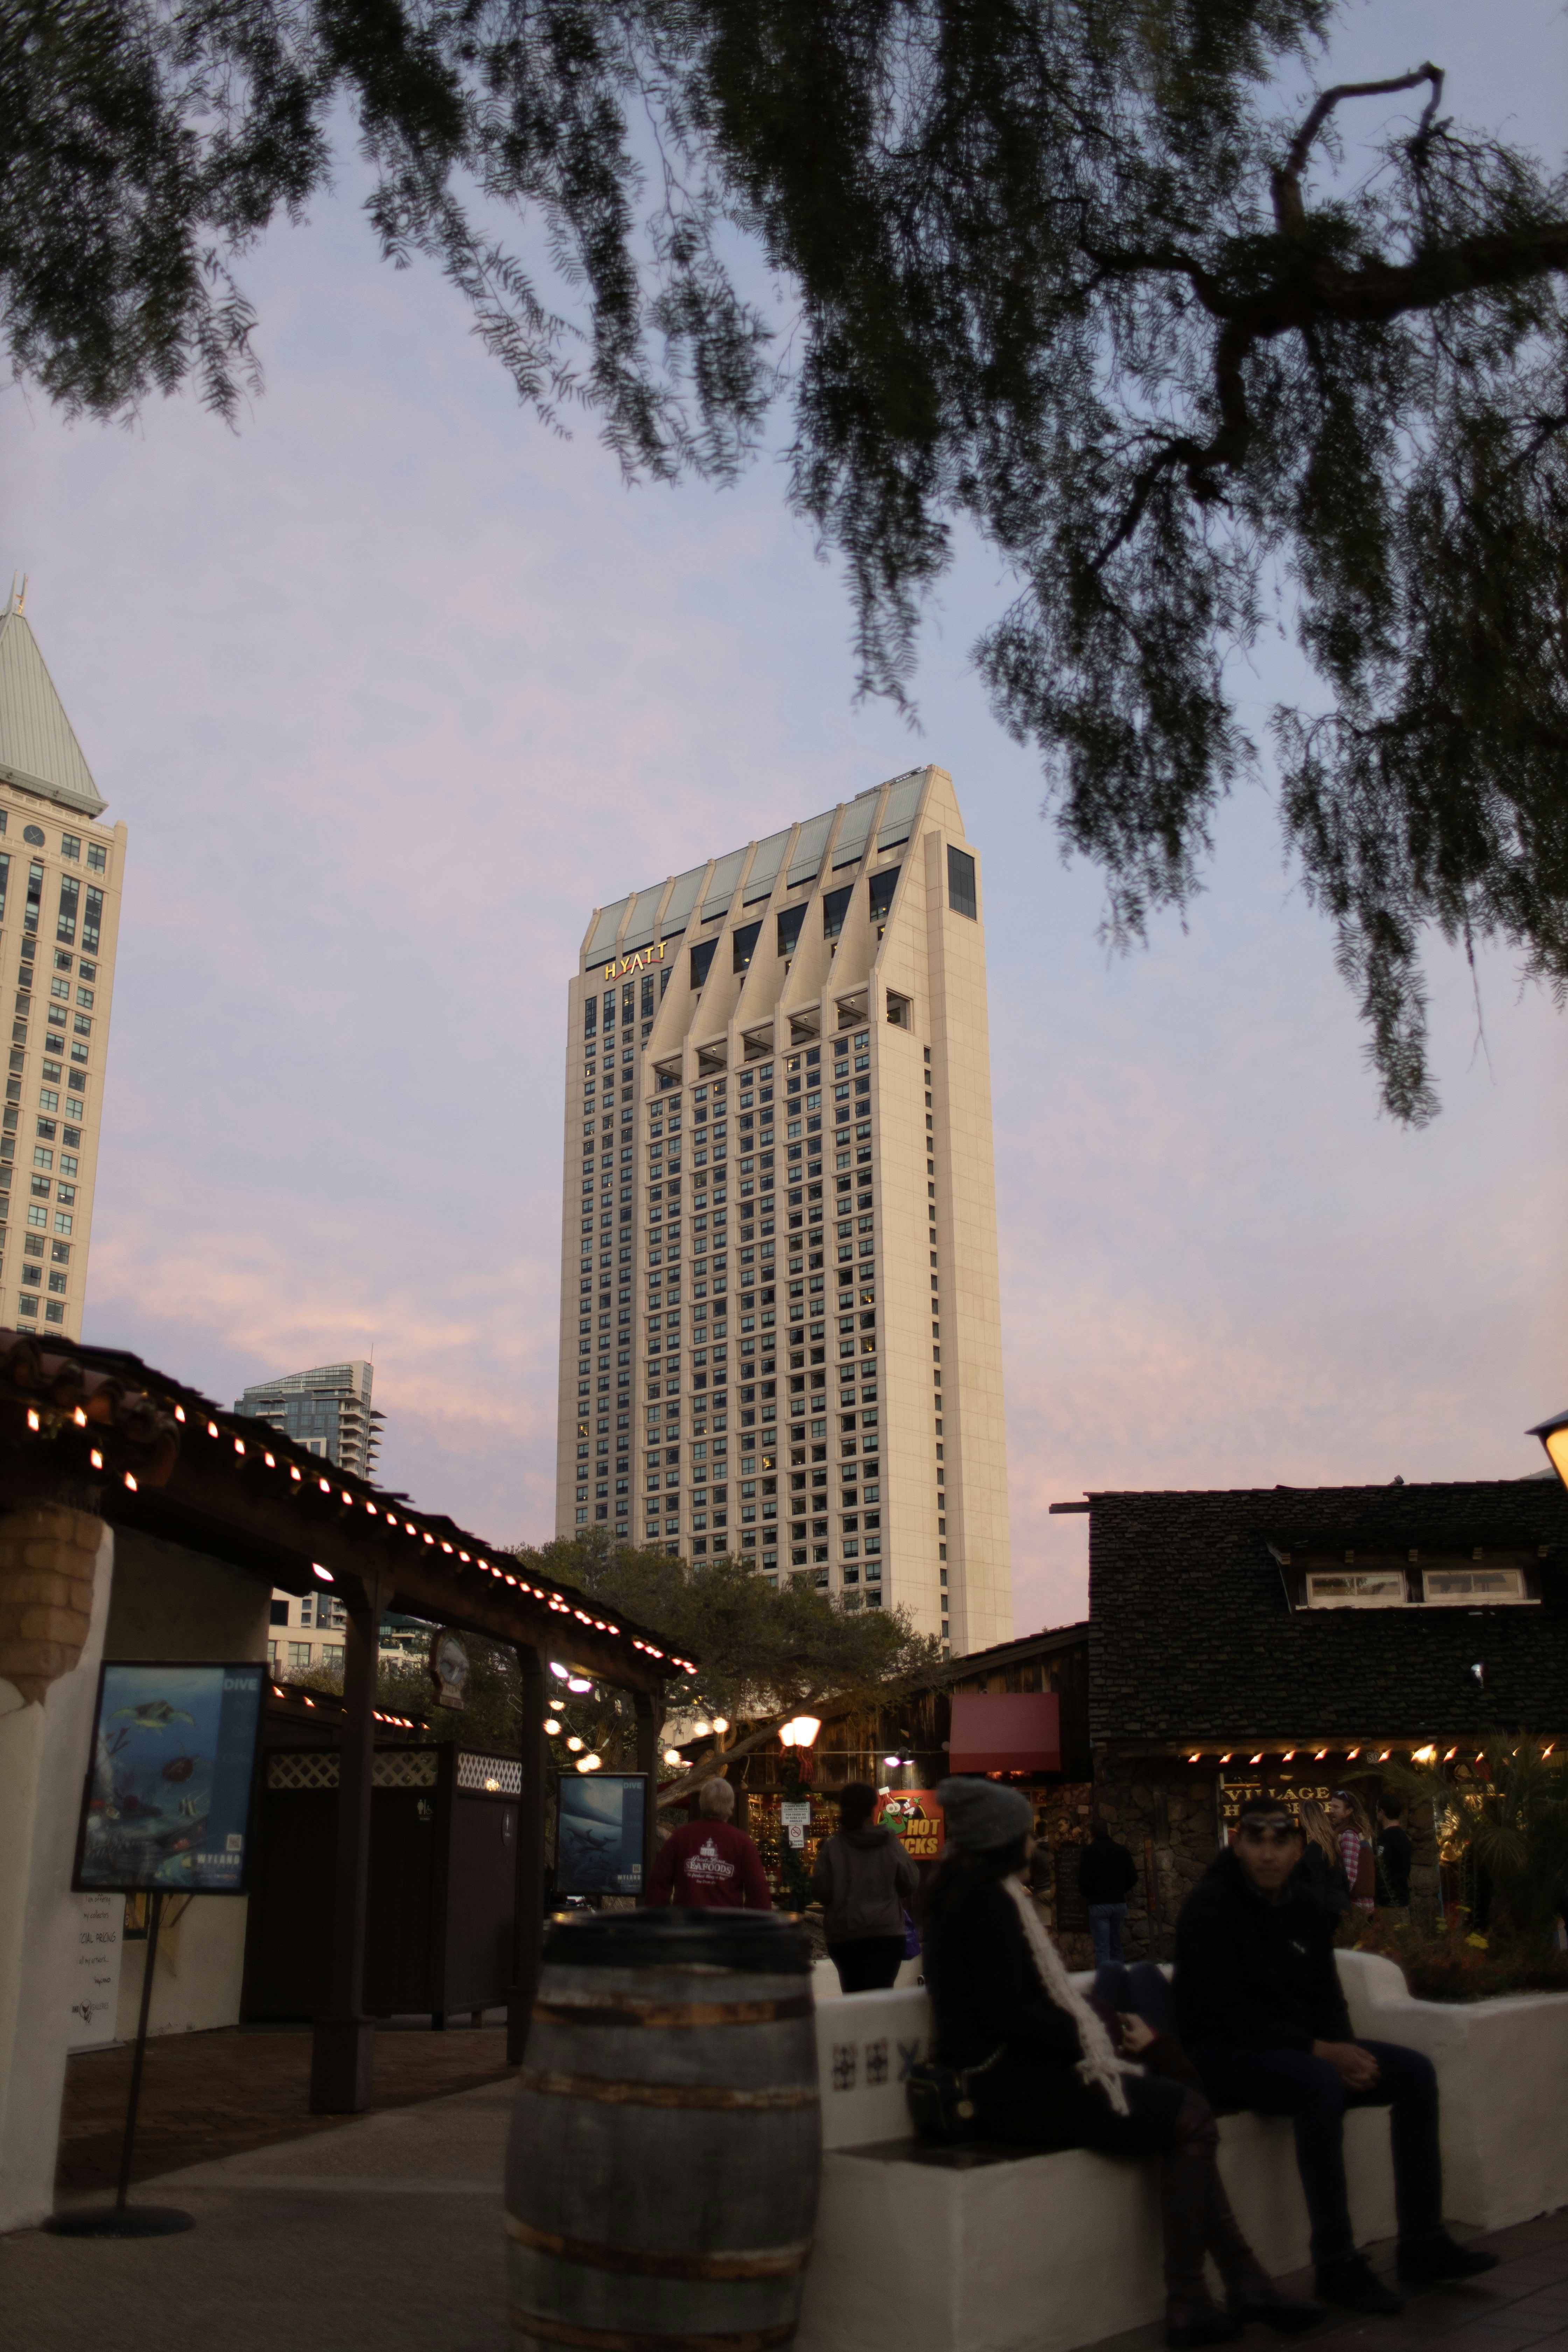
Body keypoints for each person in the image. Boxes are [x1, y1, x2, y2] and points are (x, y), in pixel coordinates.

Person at [921, 1776, 1321, 2348]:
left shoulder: (969, 1897)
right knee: (1189, 2117)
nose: (1033, 1843)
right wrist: (1094, 2032)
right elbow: (1008, 2016)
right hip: (1010, 2090)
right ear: (999, 1840)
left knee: (1184, 2110)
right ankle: (1194, 2296)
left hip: (1011, 2081)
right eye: (1024, 1833)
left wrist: (1090, 2024)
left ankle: (1241, 2279)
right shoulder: (989, 1904)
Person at [1174, 1797, 1499, 2316]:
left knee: (1414, 2073)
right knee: (1318, 2084)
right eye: (1256, 1840)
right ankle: (1336, 2262)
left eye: (1279, 1841)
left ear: (1296, 1847)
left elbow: (1326, 1995)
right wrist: (1321, 2053)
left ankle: (1422, 2242)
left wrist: (1345, 2049)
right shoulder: (1210, 1908)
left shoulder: (1303, 1907)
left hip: (1296, 2049)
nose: (1268, 1853)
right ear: (1237, 1846)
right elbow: (1223, 2014)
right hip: (1222, 2055)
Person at [808, 1780, 919, 1993]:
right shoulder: (889, 1843)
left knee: (855, 1998)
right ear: (872, 1808)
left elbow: (820, 1891)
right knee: (882, 1995)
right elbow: (911, 1882)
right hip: (887, 1935)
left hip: (845, 1937)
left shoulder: (833, 1848)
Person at [646, 1777, 773, 1909]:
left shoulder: (681, 1837)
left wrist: (661, 1917)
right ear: (731, 1806)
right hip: (727, 1921)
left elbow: (658, 1885)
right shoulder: (742, 1842)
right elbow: (760, 1894)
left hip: (687, 1920)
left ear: (702, 1803)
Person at [1078, 1819, 1140, 1967]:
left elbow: (1083, 1881)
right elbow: (1133, 1877)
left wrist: (1091, 1895)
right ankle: (1119, 1977)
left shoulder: (1088, 1853)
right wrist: (1120, 1890)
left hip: (1098, 1904)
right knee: (1116, 1945)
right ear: (1108, 1831)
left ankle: (1106, 1979)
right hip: (1118, 1903)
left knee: (1102, 1948)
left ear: (1091, 1833)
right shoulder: (1122, 1851)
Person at [1294, 1799, 1351, 1917]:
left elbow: (1318, 1882)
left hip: (1327, 1910)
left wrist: (1316, 1914)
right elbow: (1343, 1877)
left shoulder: (1316, 1847)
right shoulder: (1331, 1843)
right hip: (1340, 1906)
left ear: (1306, 1818)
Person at [1329, 1787, 1377, 1914]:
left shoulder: (1349, 1834)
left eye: (1336, 1807)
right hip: (1359, 1904)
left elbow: (1349, 1876)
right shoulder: (1355, 1830)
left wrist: (1337, 1900)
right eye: (1331, 1806)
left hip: (1356, 1906)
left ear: (1349, 1811)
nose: (1331, 1810)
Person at [1376, 1798, 1413, 1912]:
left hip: (1389, 1901)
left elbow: (1381, 1867)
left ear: (1382, 1812)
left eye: (1377, 1810)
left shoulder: (1385, 1839)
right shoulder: (1404, 1838)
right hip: (1402, 1899)